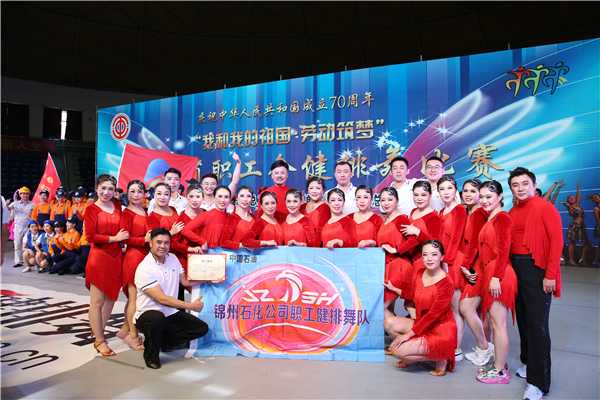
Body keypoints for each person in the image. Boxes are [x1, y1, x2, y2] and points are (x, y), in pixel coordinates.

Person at [508, 167, 563, 400]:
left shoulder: (545, 207)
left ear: (534, 185)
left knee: (537, 325)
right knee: (522, 319)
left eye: (525, 184)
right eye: (515, 185)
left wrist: (550, 274)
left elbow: (556, 242)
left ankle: (538, 382)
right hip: (516, 268)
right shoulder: (512, 210)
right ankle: (528, 362)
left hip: (537, 269)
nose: (520, 188)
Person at [134, 228, 208, 369]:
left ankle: (163, 342)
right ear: (150, 243)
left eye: (166, 243)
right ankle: (151, 356)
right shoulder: (144, 268)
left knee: (201, 328)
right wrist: (191, 306)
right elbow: (162, 299)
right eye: (159, 242)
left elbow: (185, 281)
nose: (163, 246)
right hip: (148, 314)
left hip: (170, 312)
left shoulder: (173, 258)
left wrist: (209, 278)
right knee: (156, 319)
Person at [385, 240, 457, 376]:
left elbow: (433, 315)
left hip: (440, 329)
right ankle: (412, 349)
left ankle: (442, 356)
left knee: (397, 351)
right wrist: (394, 289)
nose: (429, 258)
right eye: (425, 254)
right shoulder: (420, 273)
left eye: (434, 254)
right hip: (422, 323)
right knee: (389, 323)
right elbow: (413, 294)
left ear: (442, 257)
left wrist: (407, 336)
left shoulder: (447, 283)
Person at [475, 180, 517, 384]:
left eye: (489, 197)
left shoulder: (502, 218)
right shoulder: (490, 216)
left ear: (500, 197)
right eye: (481, 197)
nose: (484, 200)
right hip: (491, 273)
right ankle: (499, 363)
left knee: (499, 325)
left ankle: (500, 371)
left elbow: (503, 250)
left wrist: (495, 277)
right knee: (494, 322)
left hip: (499, 275)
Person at [85, 174, 129, 357]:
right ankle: (99, 340)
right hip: (99, 258)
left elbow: (124, 228)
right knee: (97, 301)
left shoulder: (117, 205)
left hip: (116, 258)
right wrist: (114, 238)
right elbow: (90, 236)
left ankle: (98, 331)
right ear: (96, 188)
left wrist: (123, 241)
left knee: (111, 298)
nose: (106, 192)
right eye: (103, 188)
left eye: (110, 189)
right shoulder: (91, 209)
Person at [457, 180, 494, 367]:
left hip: (477, 266)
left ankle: (485, 347)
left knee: (466, 307)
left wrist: (465, 266)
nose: (468, 194)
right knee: (478, 310)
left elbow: (474, 245)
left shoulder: (479, 213)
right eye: (465, 190)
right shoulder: (468, 211)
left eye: (473, 191)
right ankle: (486, 347)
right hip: (471, 264)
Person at [395, 181, 442, 311]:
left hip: (424, 263)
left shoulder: (434, 217)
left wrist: (418, 232)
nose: (419, 198)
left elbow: (436, 245)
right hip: (410, 261)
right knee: (409, 302)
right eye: (416, 195)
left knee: (420, 301)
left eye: (423, 195)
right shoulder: (413, 212)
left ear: (430, 195)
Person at [437, 176, 467, 361]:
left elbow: (456, 238)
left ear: (455, 190)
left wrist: (447, 262)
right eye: (442, 189)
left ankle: (456, 348)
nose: (446, 192)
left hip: (454, 261)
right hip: (442, 262)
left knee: (455, 308)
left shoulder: (460, 210)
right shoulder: (441, 211)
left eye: (449, 188)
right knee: (447, 307)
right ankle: (448, 343)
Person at [118, 180, 150, 351]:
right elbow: (125, 238)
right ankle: (133, 336)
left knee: (139, 298)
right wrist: (143, 239)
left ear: (144, 194)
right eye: (132, 191)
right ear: (127, 193)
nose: (136, 195)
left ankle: (125, 330)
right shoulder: (126, 213)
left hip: (146, 257)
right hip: (133, 257)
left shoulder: (145, 211)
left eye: (139, 191)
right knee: (134, 299)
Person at [376, 188, 411, 312]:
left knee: (380, 308)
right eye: (383, 200)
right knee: (388, 311)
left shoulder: (401, 219)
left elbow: (414, 240)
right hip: (386, 266)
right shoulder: (386, 220)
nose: (386, 203)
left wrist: (396, 250)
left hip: (398, 266)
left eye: (390, 199)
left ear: (397, 201)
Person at [562, 184, 591, 265]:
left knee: (587, 243)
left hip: (581, 226)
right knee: (572, 242)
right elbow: (572, 210)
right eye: (570, 198)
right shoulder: (569, 206)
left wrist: (578, 188)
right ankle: (571, 260)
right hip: (574, 226)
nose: (572, 198)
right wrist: (567, 205)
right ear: (568, 200)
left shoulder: (577, 204)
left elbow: (578, 196)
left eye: (573, 197)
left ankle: (582, 259)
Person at [8, 187, 34, 268]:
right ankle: (18, 261)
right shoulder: (15, 204)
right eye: (23, 194)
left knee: (26, 244)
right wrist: (9, 207)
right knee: (17, 244)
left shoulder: (33, 204)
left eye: (26, 194)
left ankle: (27, 260)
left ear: (29, 195)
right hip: (18, 227)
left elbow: (34, 216)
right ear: (20, 195)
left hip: (28, 227)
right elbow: (10, 216)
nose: (25, 195)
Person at [300, 177, 330, 241]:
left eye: (318, 188)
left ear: (323, 190)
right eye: (311, 188)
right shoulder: (301, 207)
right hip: (299, 244)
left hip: (317, 245)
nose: (314, 191)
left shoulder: (326, 208)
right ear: (307, 190)